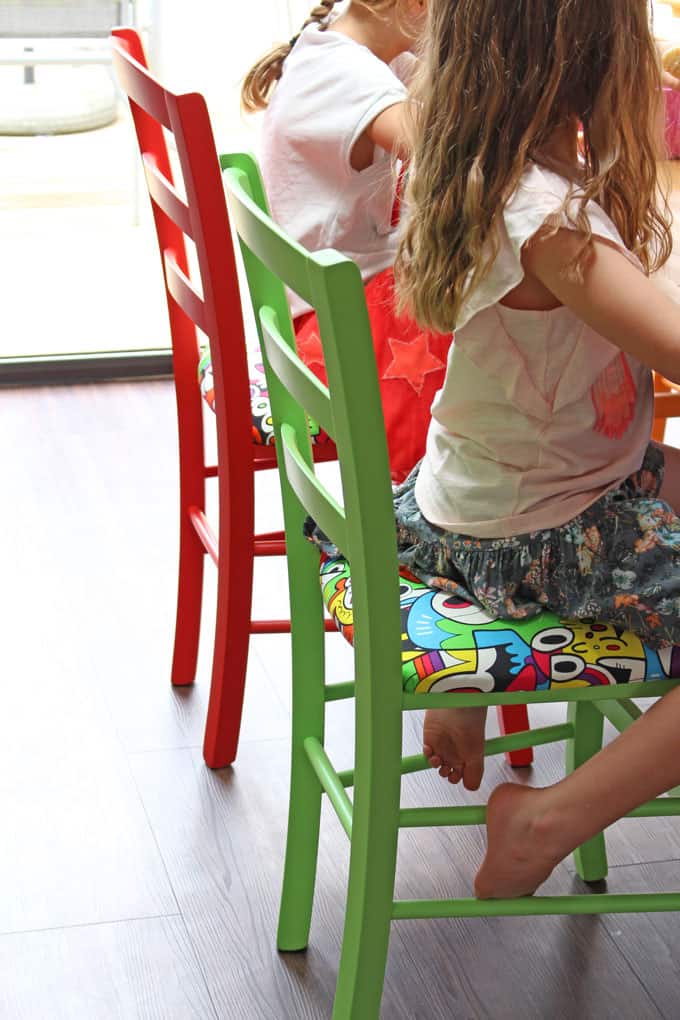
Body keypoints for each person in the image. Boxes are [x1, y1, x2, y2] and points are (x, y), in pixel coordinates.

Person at [391, 0, 680, 898]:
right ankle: (543, 822)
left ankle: (468, 694)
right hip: (542, 537)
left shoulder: (491, 171)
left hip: (460, 505)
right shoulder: (551, 223)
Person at [238, 0, 451, 483]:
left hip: (320, 301)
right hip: (330, 328)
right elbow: (446, 154)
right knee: (479, 333)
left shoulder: (352, 49)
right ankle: (413, 516)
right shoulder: (347, 74)